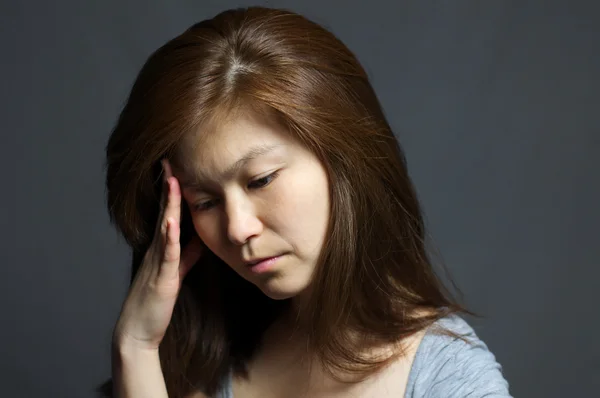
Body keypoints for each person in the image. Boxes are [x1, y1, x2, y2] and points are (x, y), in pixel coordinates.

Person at [99, 6, 511, 398]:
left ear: (343, 161)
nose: (238, 229)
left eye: (261, 180)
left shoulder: (449, 378)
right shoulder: (208, 361)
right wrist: (135, 348)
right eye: (205, 202)